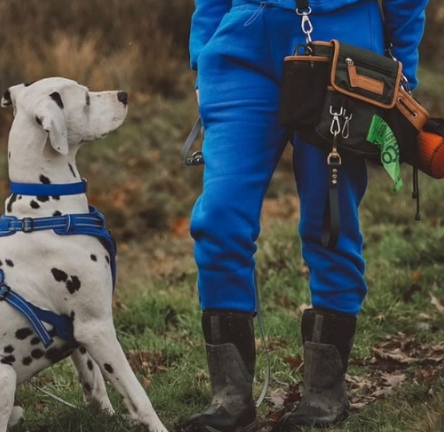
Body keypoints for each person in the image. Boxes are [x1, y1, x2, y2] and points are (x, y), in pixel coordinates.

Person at [181, 0, 428, 430]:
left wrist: (402, 68)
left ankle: (325, 394)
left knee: (329, 219)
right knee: (218, 218)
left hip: (342, 47)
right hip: (242, 48)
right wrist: (203, 50)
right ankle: (230, 400)